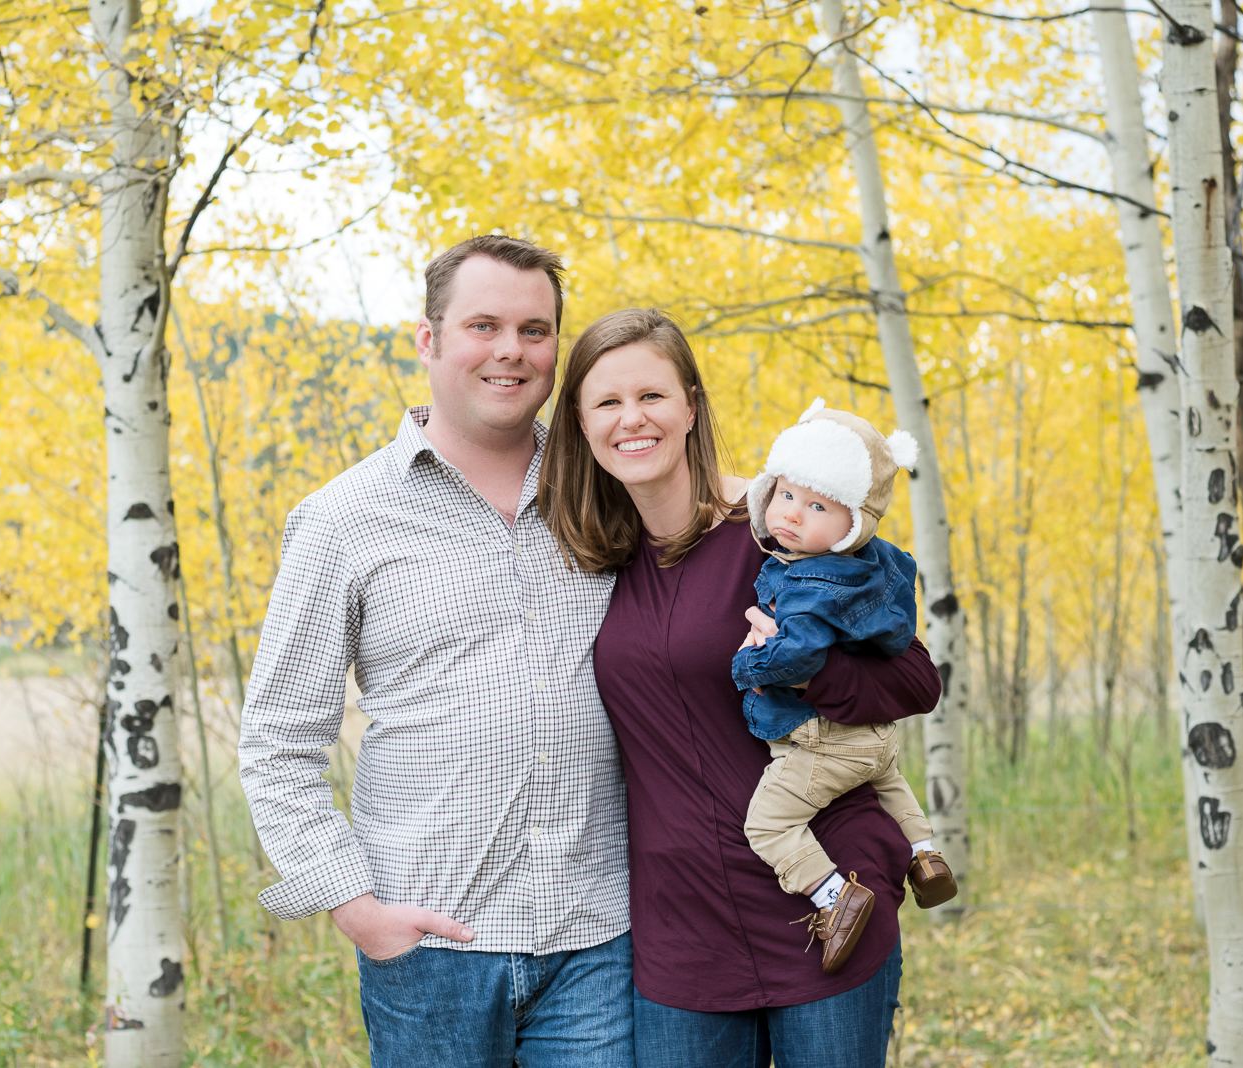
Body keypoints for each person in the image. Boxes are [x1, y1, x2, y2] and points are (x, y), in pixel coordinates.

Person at [238, 235, 632, 1068]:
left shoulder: (608, 492)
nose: (510, 352)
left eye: (535, 330)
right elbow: (277, 743)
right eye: (483, 325)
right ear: (429, 339)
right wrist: (352, 905)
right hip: (430, 951)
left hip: (601, 940)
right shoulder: (342, 520)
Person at [537, 308, 943, 1068]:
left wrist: (809, 665)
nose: (633, 419)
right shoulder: (588, 559)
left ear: (691, 404)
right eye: (607, 402)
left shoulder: (783, 530)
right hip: (681, 933)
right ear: (580, 424)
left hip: (828, 901)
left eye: (653, 396)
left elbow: (917, 678)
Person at [733, 400, 957, 976]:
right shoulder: (883, 567)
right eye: (785, 496)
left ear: (853, 523)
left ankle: (833, 897)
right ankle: (925, 855)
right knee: (889, 779)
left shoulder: (808, 580)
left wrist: (749, 665)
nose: (792, 516)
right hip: (874, 739)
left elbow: (801, 651)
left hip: (825, 740)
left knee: (768, 824)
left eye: (817, 506)